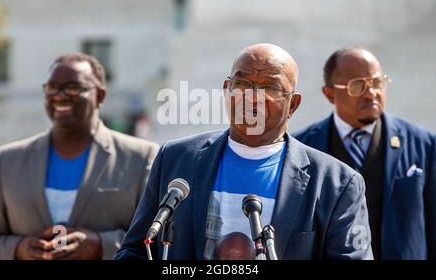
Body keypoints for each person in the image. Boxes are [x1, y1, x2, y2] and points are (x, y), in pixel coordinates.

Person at [114, 43, 373, 260]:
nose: (252, 96)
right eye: (243, 83)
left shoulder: (336, 184)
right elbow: (136, 249)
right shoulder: (176, 159)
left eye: (270, 87)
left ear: (292, 104)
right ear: (227, 90)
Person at [0, 53, 159, 260]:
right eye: (52, 87)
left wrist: (101, 245)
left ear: (100, 96)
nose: (59, 95)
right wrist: (19, 249)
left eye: (73, 87)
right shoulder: (10, 159)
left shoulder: (139, 157)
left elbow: (157, 240)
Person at [293, 48, 436, 260]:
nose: (371, 93)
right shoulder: (302, 149)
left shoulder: (424, 144)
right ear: (329, 93)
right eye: (357, 85)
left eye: (377, 83)